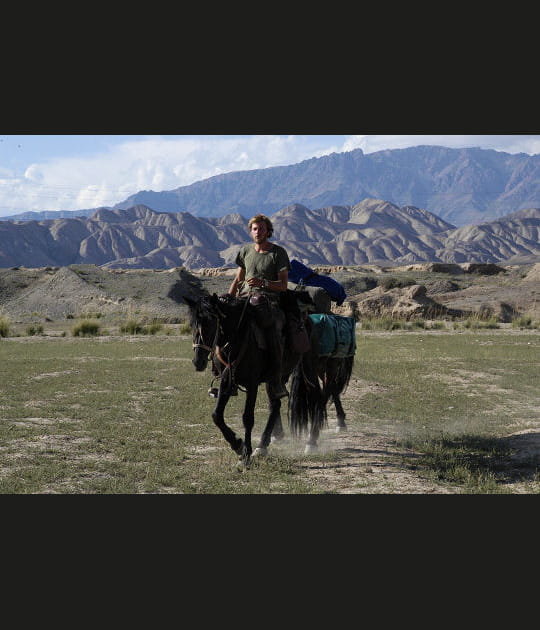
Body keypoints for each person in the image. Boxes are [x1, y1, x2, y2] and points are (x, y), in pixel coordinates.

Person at [227, 214, 290, 398]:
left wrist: (263, 283)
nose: (258, 232)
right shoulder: (246, 251)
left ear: (268, 231)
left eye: (261, 228)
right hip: (245, 299)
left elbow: (283, 285)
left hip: (269, 302)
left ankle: (276, 379)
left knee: (272, 328)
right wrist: (229, 298)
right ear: (250, 232)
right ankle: (224, 375)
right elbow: (239, 279)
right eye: (255, 229)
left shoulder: (278, 253)